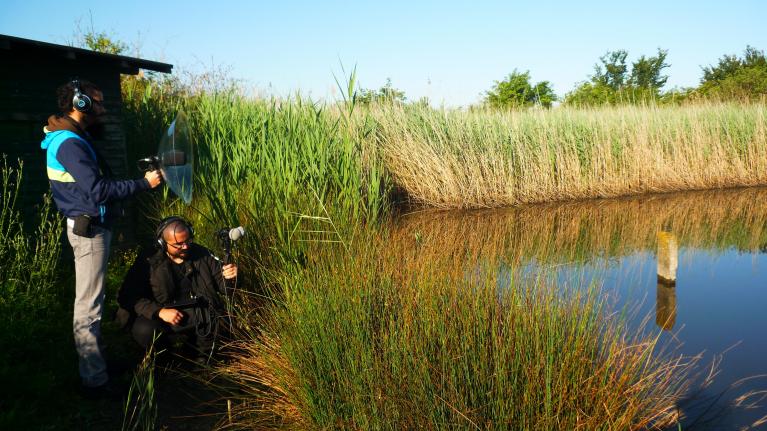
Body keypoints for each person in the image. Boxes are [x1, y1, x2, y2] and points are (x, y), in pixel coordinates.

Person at [41, 79, 163, 396]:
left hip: (91, 226)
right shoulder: (69, 143)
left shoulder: (71, 137)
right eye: (98, 101)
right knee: (89, 307)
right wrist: (144, 184)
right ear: (80, 104)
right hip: (90, 231)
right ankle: (95, 381)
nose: (103, 108)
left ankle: (97, 366)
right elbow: (99, 191)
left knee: (92, 302)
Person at [116, 216, 237, 360]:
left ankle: (199, 357)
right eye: (178, 244)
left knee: (223, 321)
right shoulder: (148, 260)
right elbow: (127, 295)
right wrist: (159, 311)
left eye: (188, 241)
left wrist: (232, 276)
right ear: (162, 243)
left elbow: (225, 289)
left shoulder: (202, 254)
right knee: (145, 331)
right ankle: (165, 361)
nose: (185, 247)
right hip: (162, 314)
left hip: (197, 313)